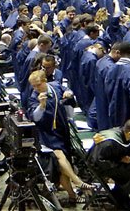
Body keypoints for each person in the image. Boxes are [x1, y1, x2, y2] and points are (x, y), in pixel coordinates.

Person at [27, 70, 92, 205]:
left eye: (38, 85)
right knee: (59, 157)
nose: (35, 88)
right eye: (33, 86)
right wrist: (41, 106)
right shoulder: (34, 97)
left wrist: (69, 92)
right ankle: (78, 182)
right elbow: (34, 117)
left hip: (62, 129)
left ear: (45, 81)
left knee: (63, 165)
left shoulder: (56, 86)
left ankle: (72, 196)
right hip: (46, 133)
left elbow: (67, 90)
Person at [89, 119, 130, 208]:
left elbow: (115, 154)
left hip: (109, 163)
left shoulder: (122, 134)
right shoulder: (110, 142)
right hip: (99, 166)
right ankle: (125, 199)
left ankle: (122, 196)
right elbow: (99, 161)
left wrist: (121, 159)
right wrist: (119, 161)